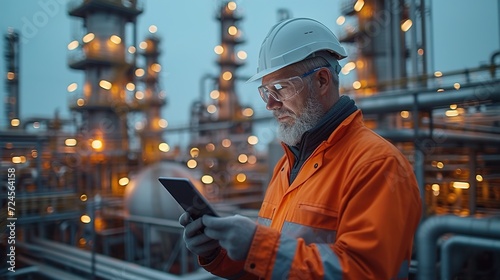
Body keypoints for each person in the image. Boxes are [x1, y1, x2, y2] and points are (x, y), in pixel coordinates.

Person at [179, 17, 422, 280]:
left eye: (281, 88)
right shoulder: (287, 165)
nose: (271, 104)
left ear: (321, 80)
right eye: (265, 91)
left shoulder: (377, 165)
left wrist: (256, 245)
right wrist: (219, 252)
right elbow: (271, 265)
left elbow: (364, 273)